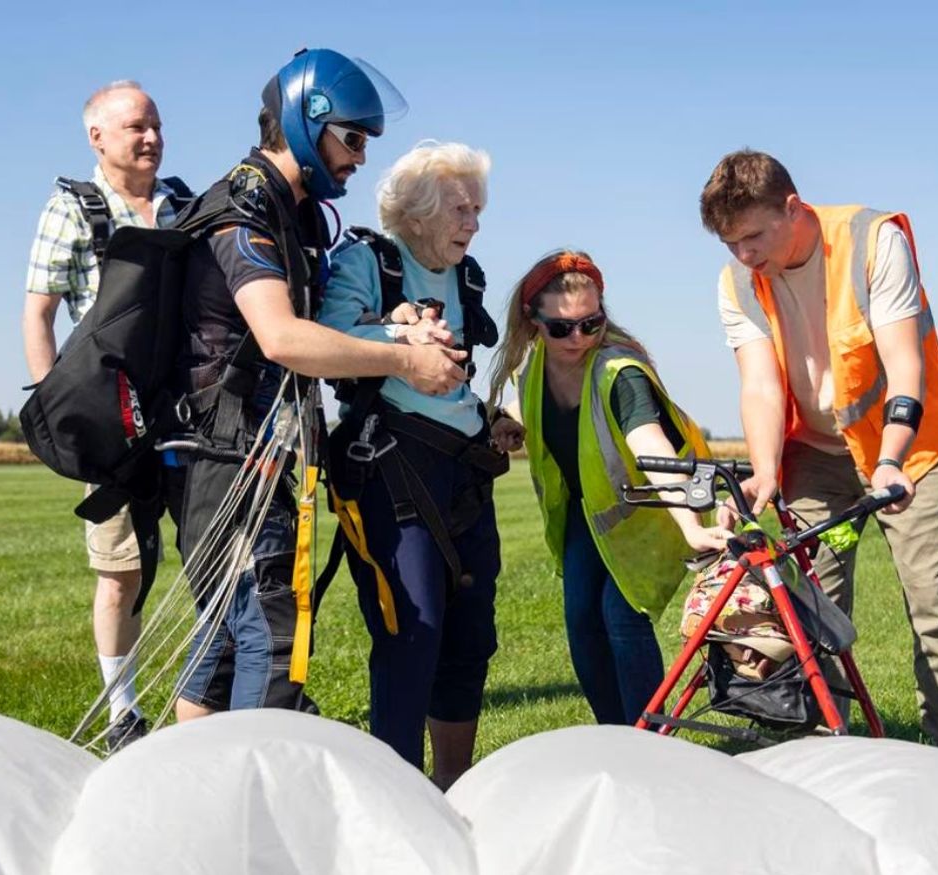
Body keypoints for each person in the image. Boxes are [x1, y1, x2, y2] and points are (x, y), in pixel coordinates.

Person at [172, 50, 468, 724]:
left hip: (263, 453)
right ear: (310, 122)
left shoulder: (292, 212)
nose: (360, 158)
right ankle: (253, 806)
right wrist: (402, 363)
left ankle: (183, 794)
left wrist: (390, 324)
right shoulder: (242, 209)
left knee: (222, 639)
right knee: (274, 638)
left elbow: (320, 322)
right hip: (227, 457)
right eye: (353, 139)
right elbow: (281, 338)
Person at [699, 149, 938, 752]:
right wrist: (768, 471)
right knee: (810, 607)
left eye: (753, 236)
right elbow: (760, 385)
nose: (744, 255)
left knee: (933, 604)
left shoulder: (874, 241)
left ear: (793, 208)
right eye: (731, 244)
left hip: (912, 449)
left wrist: (891, 459)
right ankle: (821, 748)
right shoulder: (738, 282)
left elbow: (905, 366)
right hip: (816, 456)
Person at [319, 142, 505, 788]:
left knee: (470, 639)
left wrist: (487, 417)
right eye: (460, 209)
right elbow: (328, 337)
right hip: (390, 469)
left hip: (465, 474)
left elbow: (449, 375)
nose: (473, 223)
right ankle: (397, 797)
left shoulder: (468, 276)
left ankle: (455, 789)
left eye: (477, 210)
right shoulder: (368, 262)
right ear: (420, 212)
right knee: (412, 634)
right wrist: (398, 337)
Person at [486, 251, 732, 726]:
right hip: (591, 518)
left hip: (653, 514)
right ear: (532, 321)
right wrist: (505, 421)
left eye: (590, 323)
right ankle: (614, 736)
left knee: (621, 619)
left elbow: (650, 446)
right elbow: (532, 404)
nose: (578, 338)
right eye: (561, 327)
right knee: (582, 623)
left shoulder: (621, 372)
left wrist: (691, 527)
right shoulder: (534, 366)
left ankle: (648, 740)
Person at [22, 80, 191, 749]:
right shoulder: (72, 208)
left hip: (186, 410)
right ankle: (123, 712)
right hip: (111, 419)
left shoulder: (184, 204)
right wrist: (58, 407)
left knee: (214, 557)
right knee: (121, 573)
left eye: (154, 124)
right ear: (98, 137)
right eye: (134, 129)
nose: (149, 138)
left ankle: (234, 695)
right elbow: (37, 313)